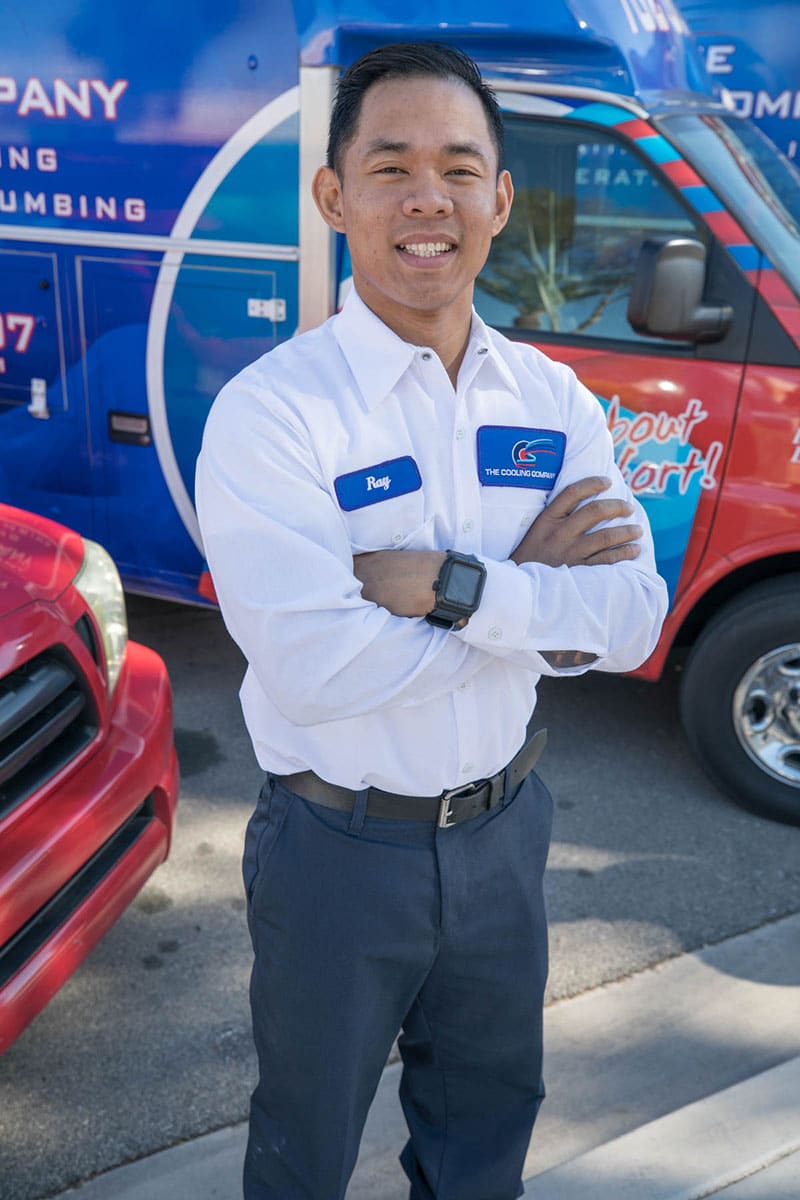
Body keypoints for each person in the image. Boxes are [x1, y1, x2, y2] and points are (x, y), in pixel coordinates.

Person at [195, 41, 667, 1200]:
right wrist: (532, 599)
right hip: (335, 854)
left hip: (503, 834)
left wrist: (455, 587)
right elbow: (315, 670)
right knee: (303, 1145)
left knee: (484, 1133)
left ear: (498, 201)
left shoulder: (550, 401)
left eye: (458, 169)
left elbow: (630, 621)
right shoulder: (274, 415)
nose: (427, 198)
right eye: (390, 166)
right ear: (332, 195)